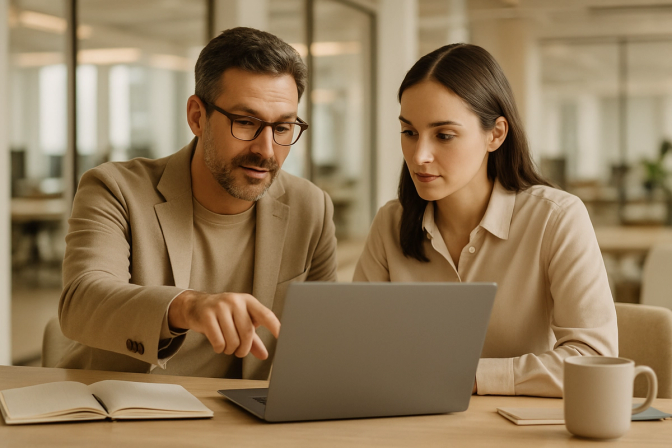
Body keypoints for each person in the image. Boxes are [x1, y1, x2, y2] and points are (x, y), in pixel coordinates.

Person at [57, 27, 338, 379]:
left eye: (282, 128)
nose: (266, 150)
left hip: (247, 421)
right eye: (245, 122)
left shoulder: (311, 207)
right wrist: (187, 306)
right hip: (126, 412)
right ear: (197, 117)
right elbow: (82, 303)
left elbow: (325, 338)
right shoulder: (115, 189)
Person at [353, 43, 618, 397]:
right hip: (414, 424)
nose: (419, 155)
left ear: (495, 134)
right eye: (409, 132)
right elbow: (356, 353)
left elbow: (593, 360)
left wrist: (468, 376)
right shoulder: (390, 223)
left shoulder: (556, 218)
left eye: (444, 135)